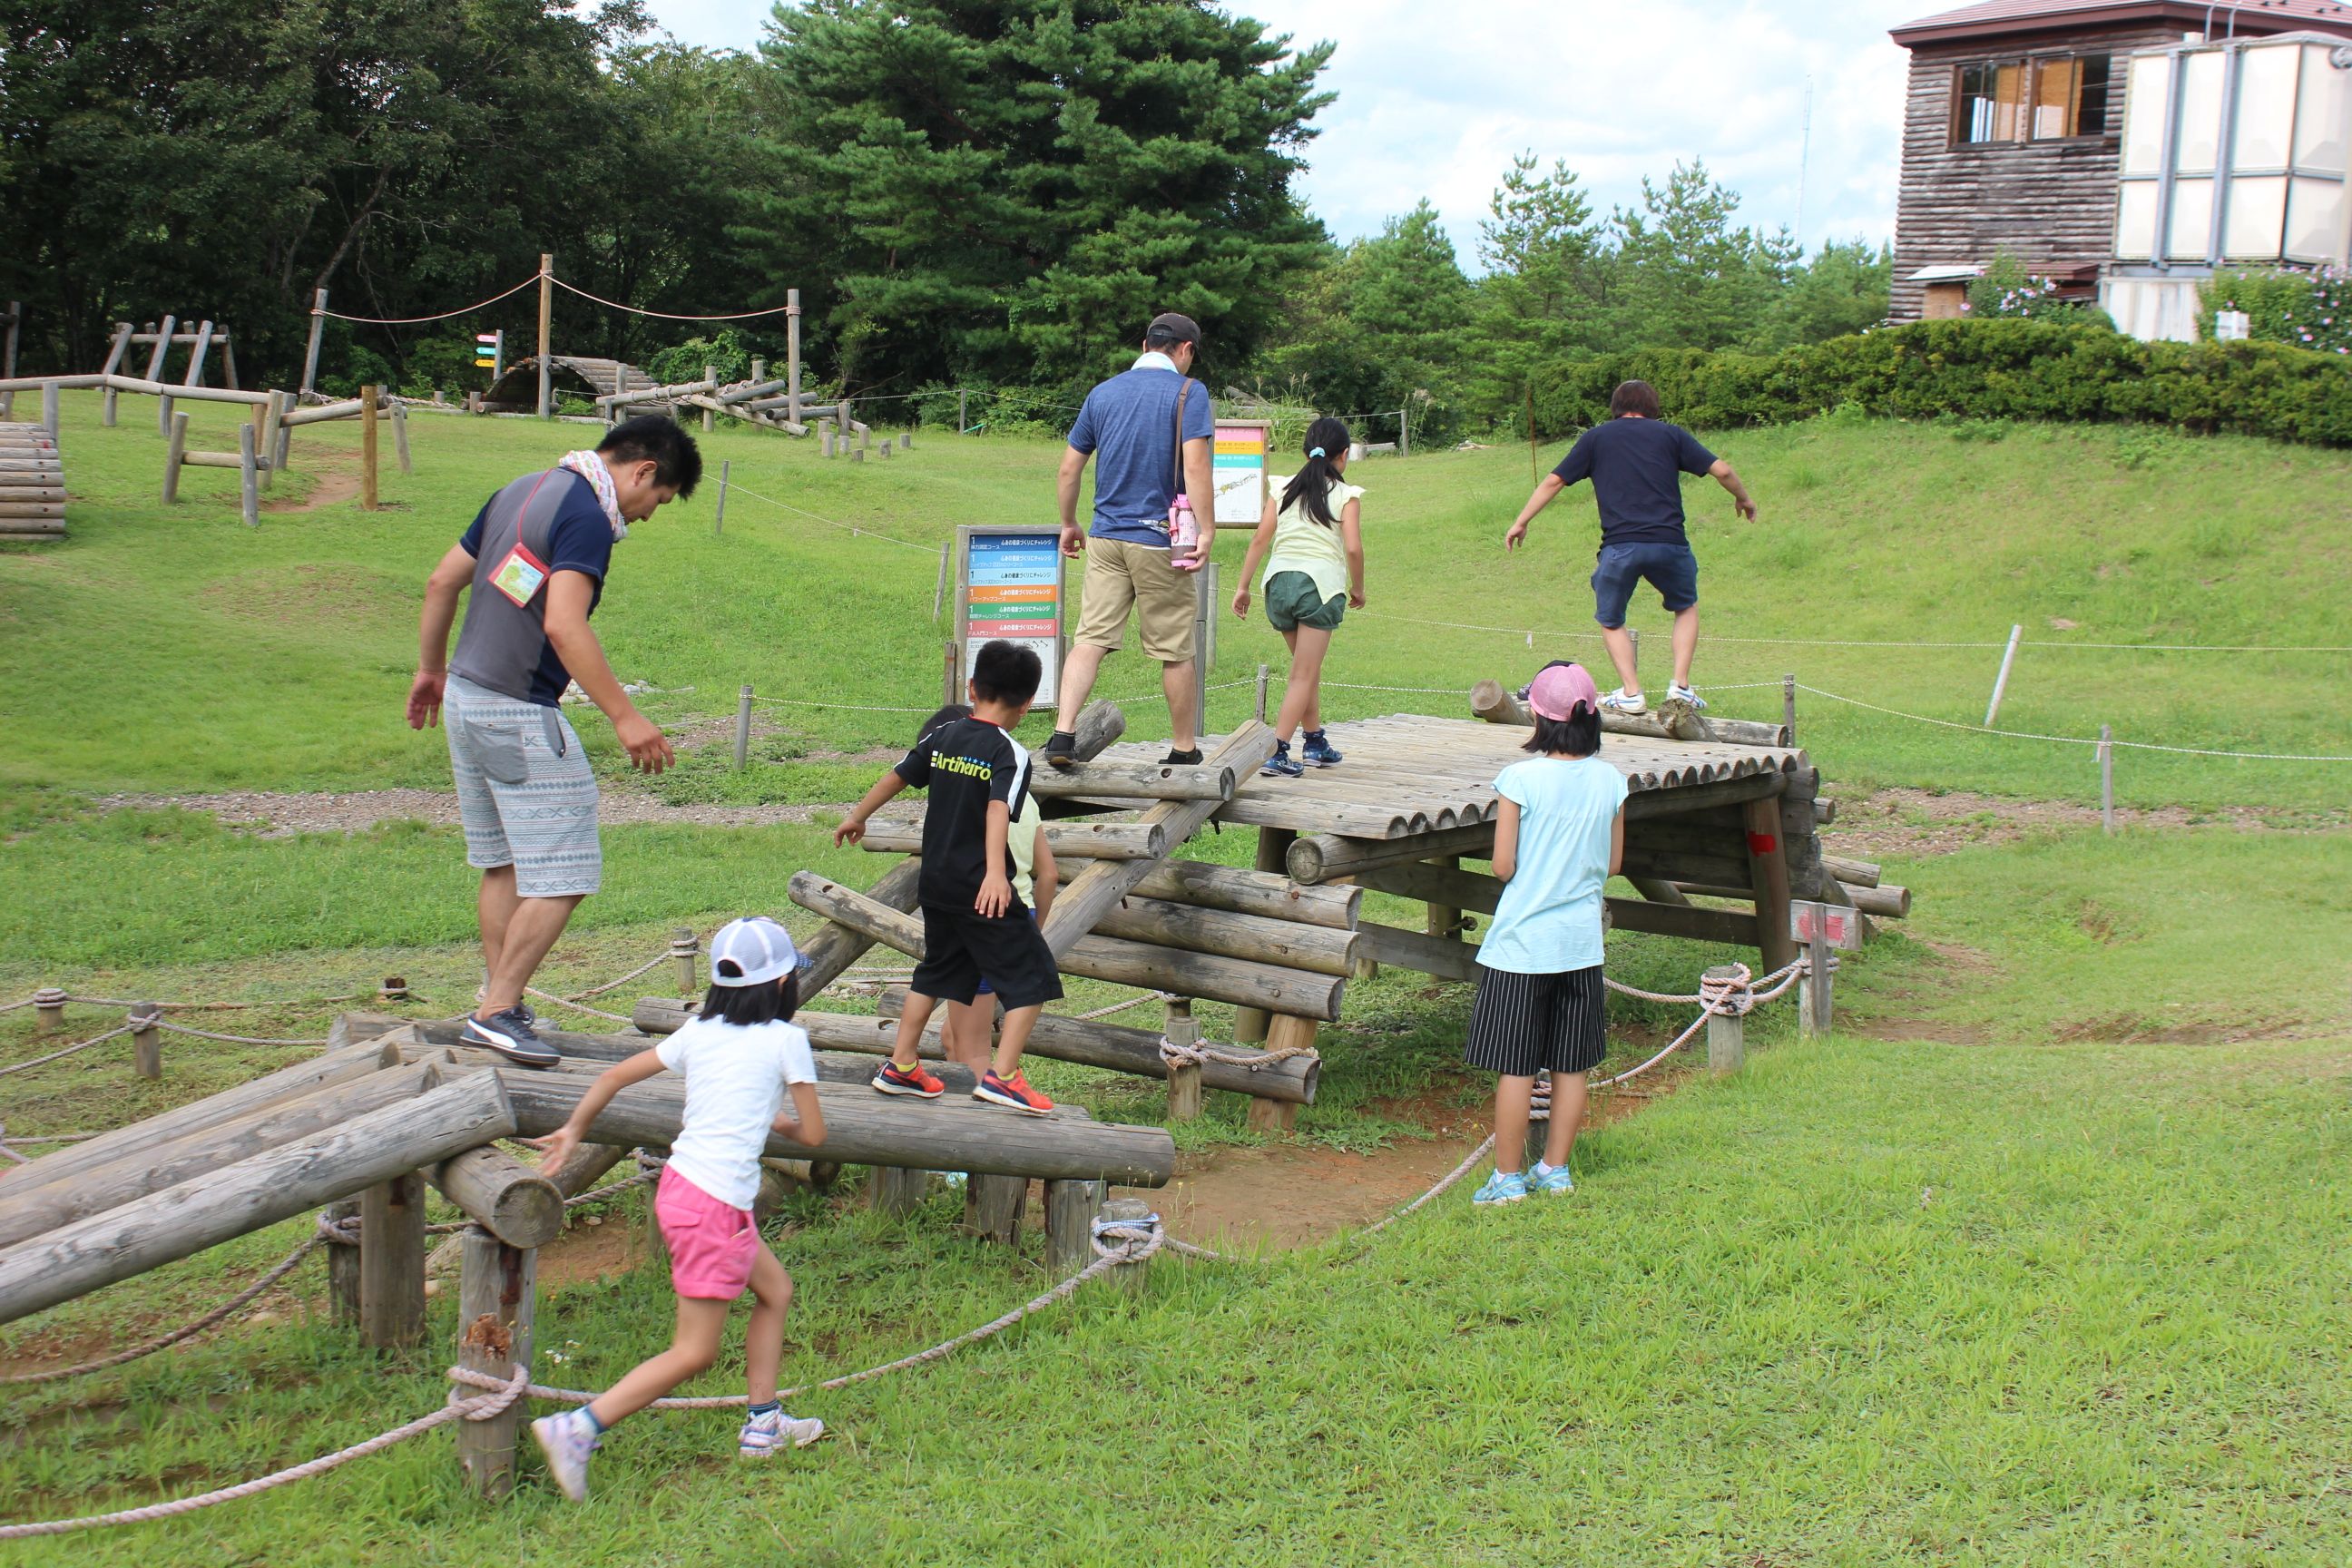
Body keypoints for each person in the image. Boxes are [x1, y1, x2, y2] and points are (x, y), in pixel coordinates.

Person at [407, 416, 700, 1068]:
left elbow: (441, 582)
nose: (650, 515)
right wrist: (627, 718)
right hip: (516, 706)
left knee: (506, 860)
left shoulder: (519, 489)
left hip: (463, 697)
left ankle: (496, 1003)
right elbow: (565, 626)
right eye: (659, 499)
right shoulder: (587, 517)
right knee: (565, 869)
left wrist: (429, 670)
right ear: (644, 470)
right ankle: (498, 1010)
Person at [526, 916, 828, 1498]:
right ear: (784, 984)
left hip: (685, 1189)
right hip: (716, 1206)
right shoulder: (786, 1040)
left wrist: (572, 1130)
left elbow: (614, 1075)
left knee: (776, 1290)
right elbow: (813, 1135)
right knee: (694, 1350)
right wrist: (777, 1117)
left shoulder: (700, 1030)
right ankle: (578, 1427)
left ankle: (764, 1424)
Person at [833, 641, 1063, 1114]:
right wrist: (996, 874)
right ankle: (1004, 1077)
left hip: (935, 884)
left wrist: (858, 815)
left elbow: (897, 775)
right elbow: (998, 806)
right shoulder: (1011, 753)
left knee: (935, 972)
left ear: (973, 687)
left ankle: (901, 1064)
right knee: (1034, 977)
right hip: (981, 887)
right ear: (1026, 705)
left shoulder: (945, 735)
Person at [1465, 662, 1626, 1206]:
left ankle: (1507, 1178)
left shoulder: (1520, 779)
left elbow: (1503, 866)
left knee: (1516, 1066)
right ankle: (1555, 1169)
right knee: (1570, 1064)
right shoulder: (1612, 780)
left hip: (1522, 947)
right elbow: (1615, 862)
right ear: (1592, 716)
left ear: (1537, 713)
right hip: (1581, 944)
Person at [1502, 379, 1756, 720]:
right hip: (1669, 543)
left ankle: (1632, 694)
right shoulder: (1671, 435)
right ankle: (1680, 685)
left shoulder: (1596, 438)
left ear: (1616, 407)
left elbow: (1554, 481)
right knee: (1685, 607)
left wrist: (1521, 521)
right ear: (1652, 406)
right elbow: (1721, 469)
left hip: (1620, 546)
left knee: (1611, 618)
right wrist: (1743, 498)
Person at [1043, 313, 1216, 769]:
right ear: (1185, 351)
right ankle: (1183, 748)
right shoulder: (1189, 392)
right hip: (1161, 540)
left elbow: (1068, 469)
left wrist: (1068, 522)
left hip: (1104, 538)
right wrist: (1209, 528)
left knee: (1090, 639)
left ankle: (1062, 734)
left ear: (1144, 346)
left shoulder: (1103, 393)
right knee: (1175, 648)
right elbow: (1196, 468)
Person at [915, 703, 1059, 1078]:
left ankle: (983, 1118)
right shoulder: (1020, 795)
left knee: (972, 1046)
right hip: (1018, 910)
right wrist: (1035, 928)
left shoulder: (965, 802)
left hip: (983, 914)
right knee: (953, 1034)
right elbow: (1049, 873)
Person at [1230, 416, 1366, 779]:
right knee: (1302, 675)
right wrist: (1358, 588)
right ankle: (1278, 750)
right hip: (1318, 587)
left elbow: (1260, 540)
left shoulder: (1284, 489)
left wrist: (1242, 587)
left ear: (1307, 452)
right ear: (1344, 454)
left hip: (1278, 585)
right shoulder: (1345, 495)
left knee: (1306, 671)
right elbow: (1352, 547)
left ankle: (1315, 741)